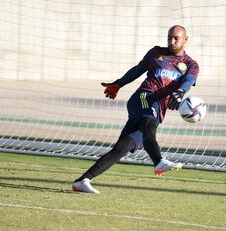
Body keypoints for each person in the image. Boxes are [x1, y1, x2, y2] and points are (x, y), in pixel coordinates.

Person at [72, 25, 199, 193]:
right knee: (149, 122)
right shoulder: (156, 53)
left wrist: (181, 92)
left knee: (121, 149)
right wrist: (118, 83)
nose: (172, 41)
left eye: (176, 38)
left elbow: (189, 80)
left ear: (185, 39)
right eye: (169, 37)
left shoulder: (191, 64)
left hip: (157, 108)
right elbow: (138, 70)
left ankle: (82, 181)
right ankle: (158, 161)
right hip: (143, 97)